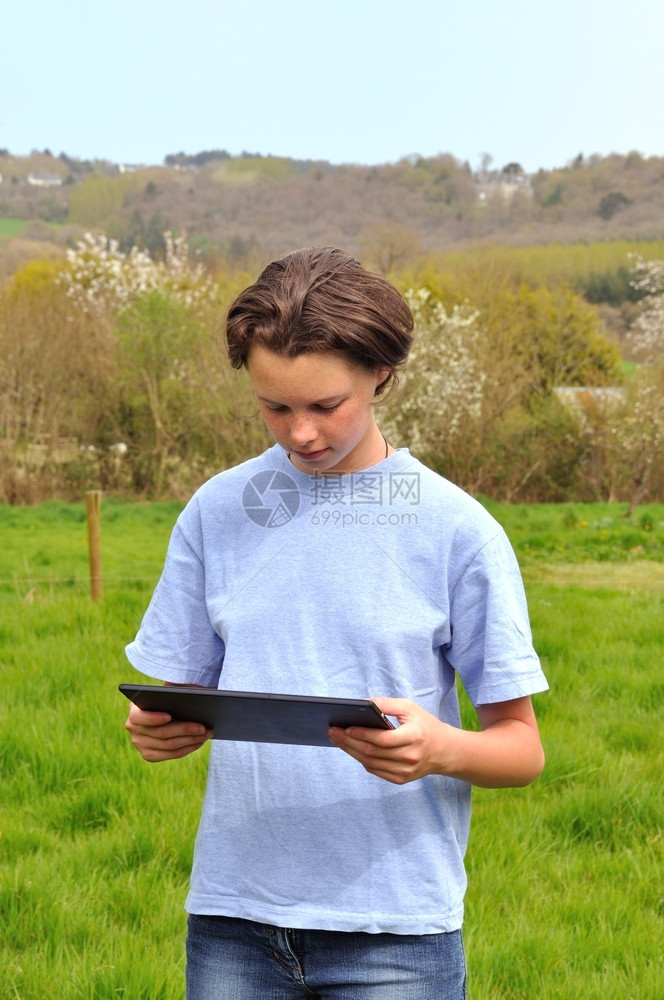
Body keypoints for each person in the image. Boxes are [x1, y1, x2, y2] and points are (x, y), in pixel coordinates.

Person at [124, 247, 548, 1000]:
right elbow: (179, 692)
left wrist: (439, 748)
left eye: (326, 406)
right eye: (274, 406)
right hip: (233, 922)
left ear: (381, 373)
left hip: (396, 934)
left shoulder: (457, 531)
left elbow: (523, 750)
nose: (300, 434)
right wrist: (159, 727)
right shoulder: (217, 512)